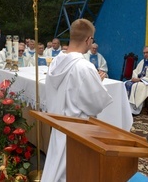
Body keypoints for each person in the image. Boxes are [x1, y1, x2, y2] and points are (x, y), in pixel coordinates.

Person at [41, 18, 113, 182]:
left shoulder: (56, 62)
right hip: (76, 132)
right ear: (88, 40)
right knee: (72, 173)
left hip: (59, 125)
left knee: (55, 170)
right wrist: (98, 82)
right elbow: (95, 104)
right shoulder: (83, 66)